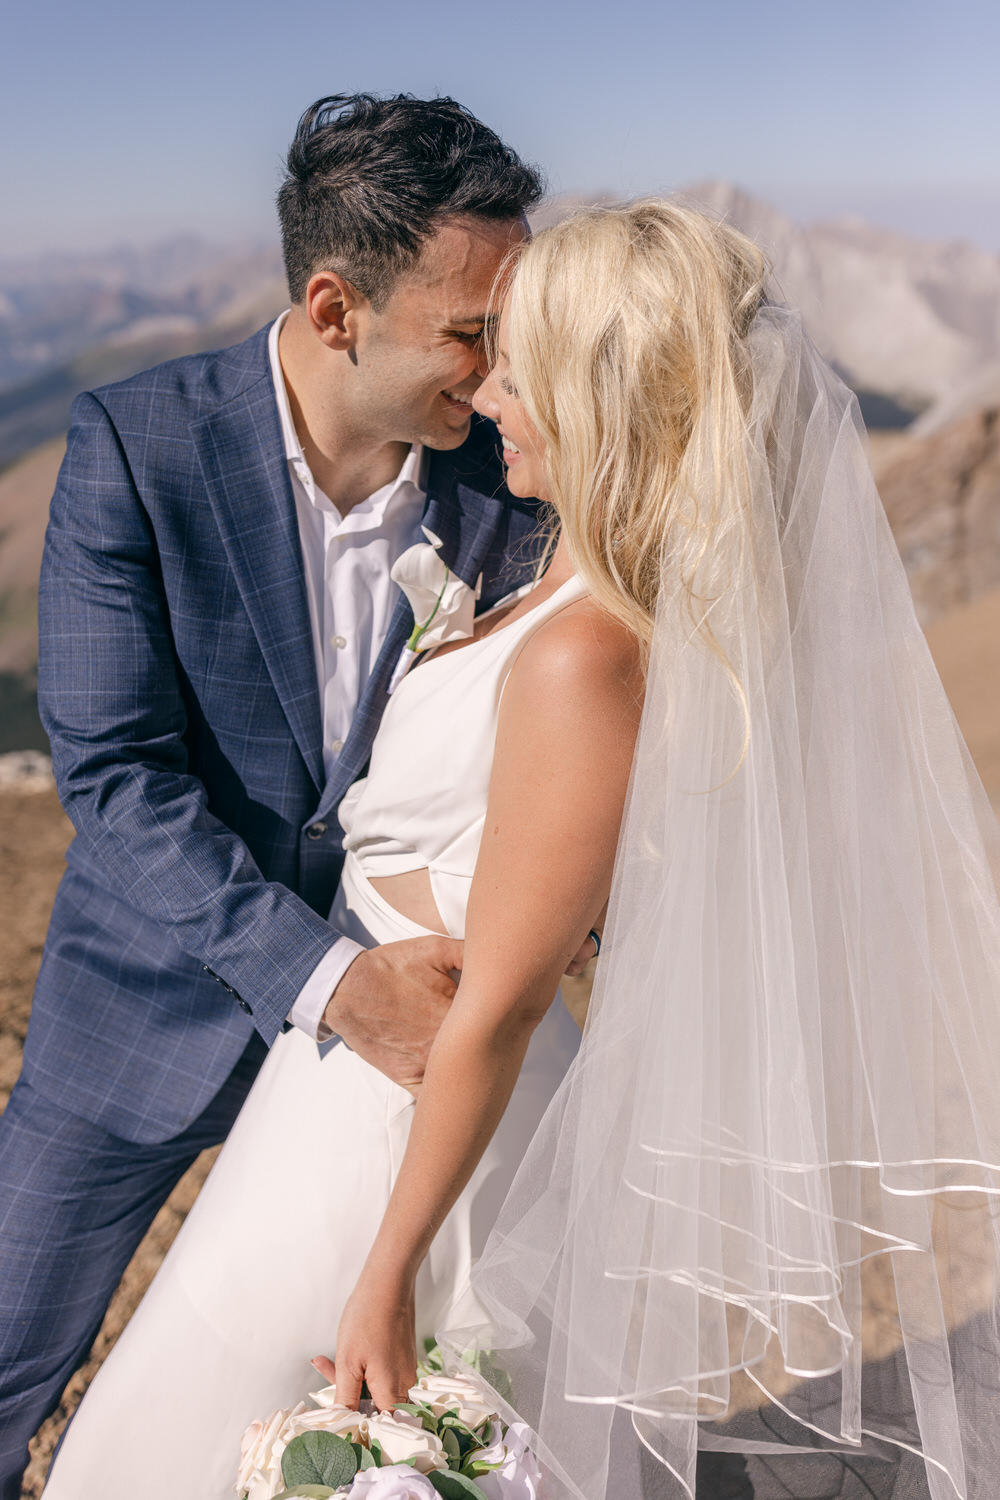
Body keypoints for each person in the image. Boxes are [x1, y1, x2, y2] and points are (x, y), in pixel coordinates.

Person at [44, 199, 1000, 1500]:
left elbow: (499, 1002)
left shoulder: (580, 651)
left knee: (157, 1454)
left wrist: (387, 1273)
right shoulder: (564, 585)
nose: (485, 391)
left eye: (517, 365)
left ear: (598, 401)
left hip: (403, 1125)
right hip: (345, 1088)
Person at [0, 92, 582, 1496]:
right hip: (140, 1016)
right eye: (471, 331)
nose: (502, 372)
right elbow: (119, 777)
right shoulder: (136, 449)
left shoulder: (509, 492)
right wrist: (328, 979)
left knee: (337, 1386)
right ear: (337, 308)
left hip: (391, 1081)